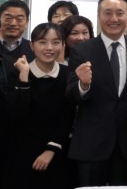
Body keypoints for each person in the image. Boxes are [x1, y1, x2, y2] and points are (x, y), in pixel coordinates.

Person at [66, 0, 127, 186]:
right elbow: (70, 94)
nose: (114, 18)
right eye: (107, 13)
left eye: (119, 13)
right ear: (98, 15)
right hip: (91, 142)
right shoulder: (82, 50)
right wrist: (83, 85)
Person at [9, 23, 75, 189]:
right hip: (22, 153)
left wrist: (51, 150)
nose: (49, 48)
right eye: (42, 42)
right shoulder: (17, 72)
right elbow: (17, 114)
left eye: (55, 42)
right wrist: (24, 78)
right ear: (32, 45)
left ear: (63, 45)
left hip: (58, 151)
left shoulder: (68, 74)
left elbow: (68, 116)